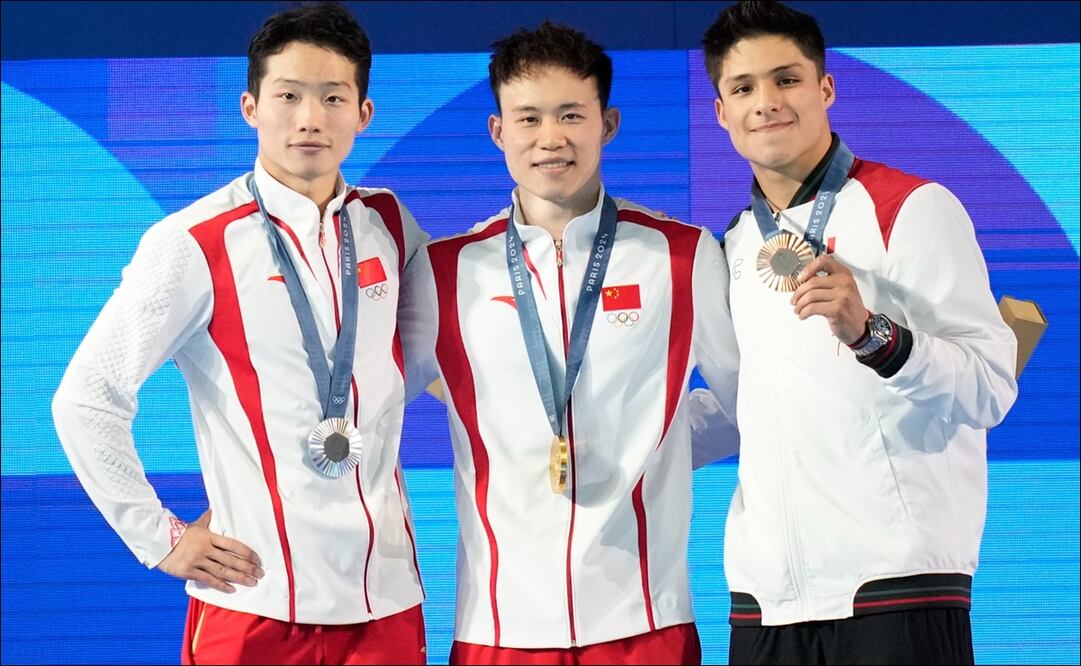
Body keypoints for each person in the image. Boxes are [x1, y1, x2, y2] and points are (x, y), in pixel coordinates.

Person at [51, 3, 428, 663]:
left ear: (363, 114)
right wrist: (159, 538)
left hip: (385, 603)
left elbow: (439, 359)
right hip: (255, 603)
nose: (310, 117)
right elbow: (87, 397)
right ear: (251, 107)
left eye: (333, 97)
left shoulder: (390, 224)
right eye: (288, 95)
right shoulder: (191, 243)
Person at [399, 21, 740, 666]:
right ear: (498, 131)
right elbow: (366, 404)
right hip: (498, 626)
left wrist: (652, 441)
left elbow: (752, 404)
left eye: (570, 115)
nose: (550, 138)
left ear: (606, 124)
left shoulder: (682, 255)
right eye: (527, 119)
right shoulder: (447, 270)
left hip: (645, 621)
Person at [696, 1, 1019, 663]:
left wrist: (871, 332)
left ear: (825, 88)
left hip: (895, 589)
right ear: (721, 112)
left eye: (786, 79)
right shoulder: (729, 246)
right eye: (742, 87)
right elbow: (749, 408)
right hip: (767, 603)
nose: (766, 102)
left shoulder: (909, 206)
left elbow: (988, 387)